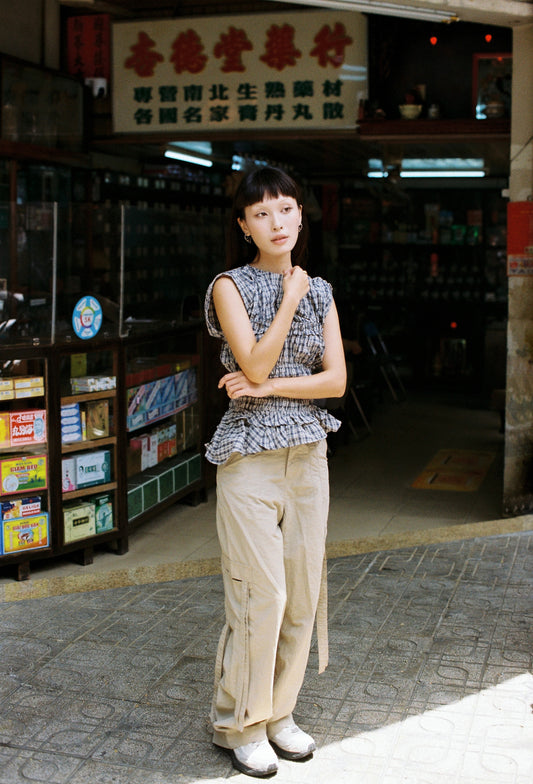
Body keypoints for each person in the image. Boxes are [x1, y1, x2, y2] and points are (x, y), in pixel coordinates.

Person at [204, 165, 346, 778]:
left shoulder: (324, 291)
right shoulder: (228, 287)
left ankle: (279, 715)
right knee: (260, 596)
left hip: (308, 457)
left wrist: (266, 389)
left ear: (300, 215)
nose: (277, 222)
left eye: (285, 209)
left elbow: (335, 382)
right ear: (244, 225)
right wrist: (288, 299)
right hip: (248, 463)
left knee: (302, 596)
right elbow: (256, 362)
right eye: (261, 213)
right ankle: (241, 723)